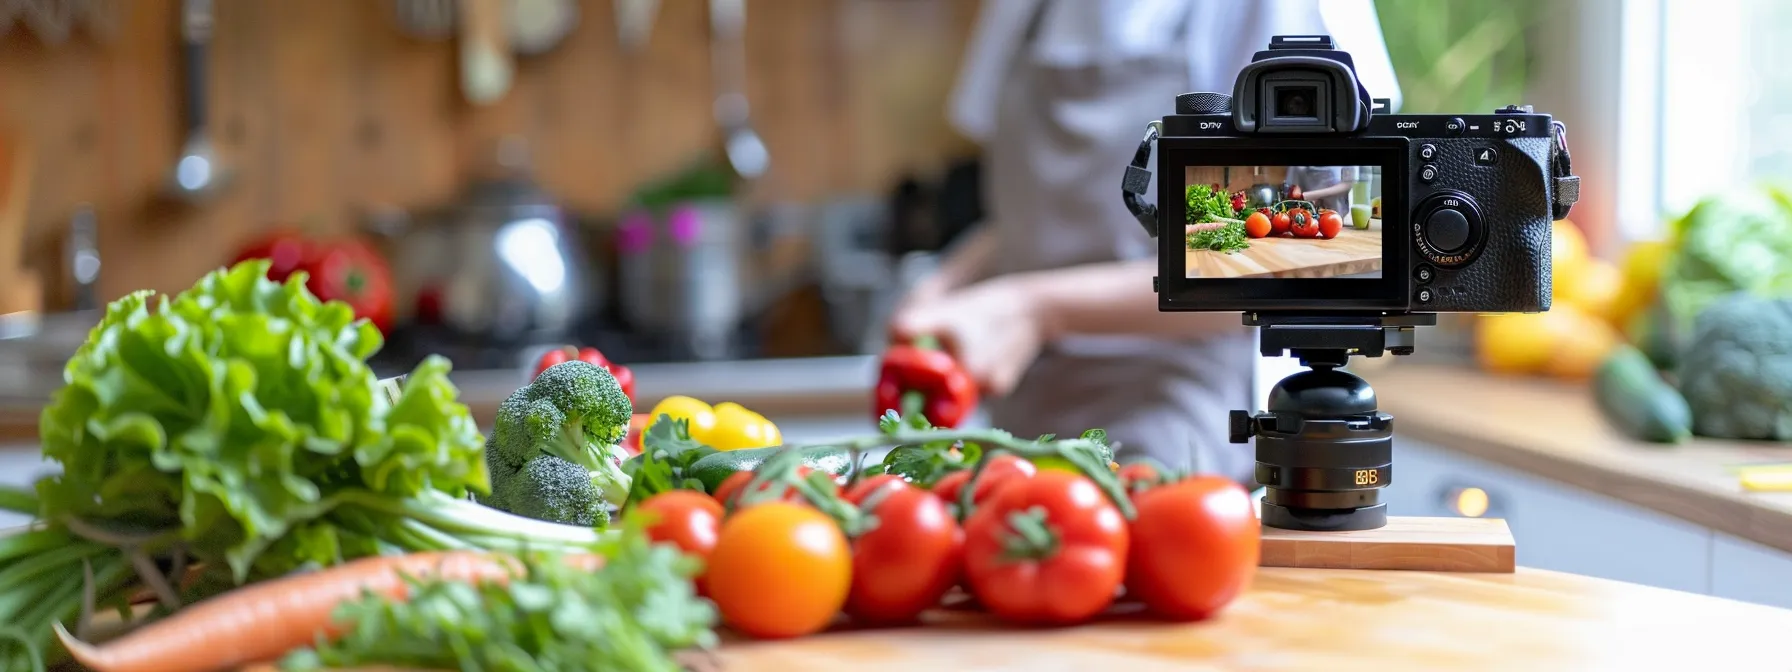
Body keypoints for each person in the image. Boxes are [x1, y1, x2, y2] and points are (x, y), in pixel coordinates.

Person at [888, 0, 1401, 483]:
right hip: (1019, 418)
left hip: (1172, 416)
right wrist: (944, 286)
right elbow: (1031, 220)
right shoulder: (1023, 10)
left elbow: (1309, 257)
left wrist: (1035, 309)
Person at [1287, 165, 1359, 215]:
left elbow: (1348, 183)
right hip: (1303, 213)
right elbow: (1294, 187)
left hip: (1334, 212)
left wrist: (1308, 196)